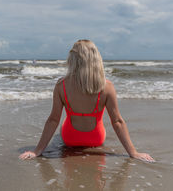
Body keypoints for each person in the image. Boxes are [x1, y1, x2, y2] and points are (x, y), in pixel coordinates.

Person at [19, 39, 155, 162]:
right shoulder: (107, 87)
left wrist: (37, 151)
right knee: (102, 123)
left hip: (70, 139)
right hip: (96, 139)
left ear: (72, 60)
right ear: (96, 60)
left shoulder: (61, 85)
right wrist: (133, 152)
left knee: (62, 126)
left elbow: (53, 120)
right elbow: (117, 122)